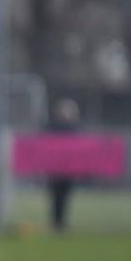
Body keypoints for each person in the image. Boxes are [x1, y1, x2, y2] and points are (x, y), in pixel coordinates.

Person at [46, 98, 80, 232]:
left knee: (65, 197)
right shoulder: (52, 127)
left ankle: (62, 222)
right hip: (55, 170)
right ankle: (55, 222)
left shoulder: (74, 129)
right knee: (55, 196)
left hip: (68, 170)